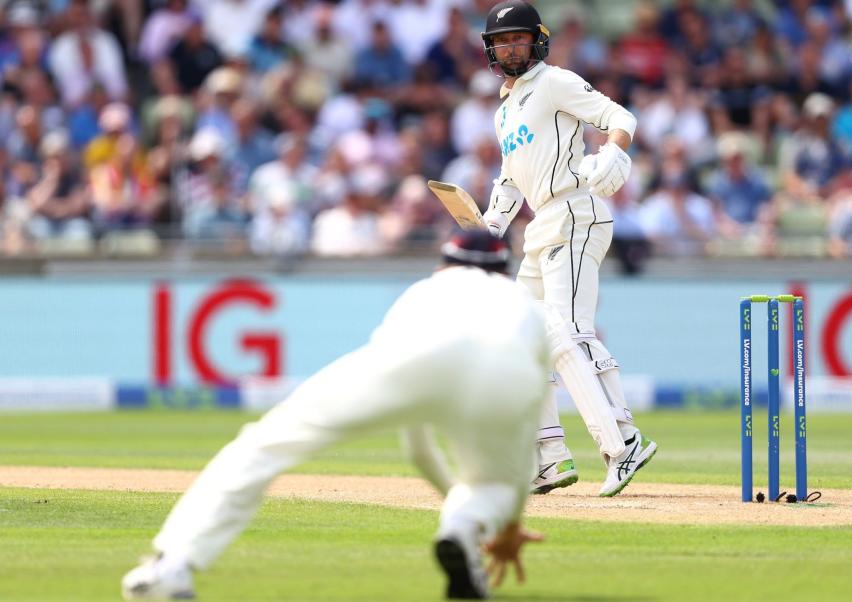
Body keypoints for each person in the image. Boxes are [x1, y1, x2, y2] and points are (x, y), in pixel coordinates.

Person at [122, 231, 560, 601]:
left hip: (418, 357)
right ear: (504, 270)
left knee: (266, 444)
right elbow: (523, 445)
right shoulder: (526, 307)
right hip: (508, 369)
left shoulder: (425, 291)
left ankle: (172, 566)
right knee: (492, 484)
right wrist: (507, 521)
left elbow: (417, 446)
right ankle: (464, 527)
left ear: (444, 264)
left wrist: (446, 488)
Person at [479, 0, 657, 497]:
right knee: (526, 341)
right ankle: (551, 457)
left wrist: (613, 150)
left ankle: (623, 443)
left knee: (568, 333)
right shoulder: (503, 110)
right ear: (491, 50)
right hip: (540, 228)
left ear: (537, 39)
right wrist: (491, 223)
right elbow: (511, 180)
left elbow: (619, 116)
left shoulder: (554, 81)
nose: (509, 48)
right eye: (501, 42)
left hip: (576, 213)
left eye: (517, 38)